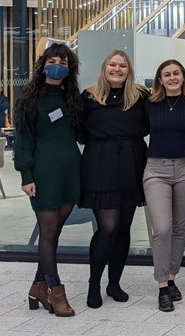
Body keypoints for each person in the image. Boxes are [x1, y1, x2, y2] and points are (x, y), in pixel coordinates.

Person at [14, 43, 82, 317]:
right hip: (43, 173)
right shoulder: (30, 100)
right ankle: (56, 290)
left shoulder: (71, 98)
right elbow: (23, 140)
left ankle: (38, 286)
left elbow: (81, 133)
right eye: (53, 60)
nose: (58, 65)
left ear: (70, 68)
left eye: (63, 62)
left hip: (70, 173)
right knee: (49, 229)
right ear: (43, 65)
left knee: (52, 233)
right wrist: (25, 174)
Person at [81, 50, 149, 309]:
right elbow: (78, 129)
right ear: (104, 67)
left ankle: (114, 283)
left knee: (123, 228)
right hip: (100, 163)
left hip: (132, 162)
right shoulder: (89, 96)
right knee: (108, 227)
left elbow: (155, 123)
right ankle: (93, 284)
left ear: (128, 70)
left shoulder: (140, 96)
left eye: (122, 65)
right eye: (112, 64)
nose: (117, 69)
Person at [142, 60, 185, 312]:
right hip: (156, 170)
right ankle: (162, 285)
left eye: (177, 73)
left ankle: (172, 278)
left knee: (179, 228)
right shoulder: (149, 104)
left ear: (183, 76)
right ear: (160, 79)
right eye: (167, 74)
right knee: (162, 228)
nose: (173, 77)